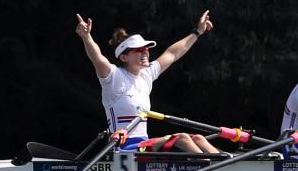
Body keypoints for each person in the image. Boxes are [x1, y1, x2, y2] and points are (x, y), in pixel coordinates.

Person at [75, 10, 220, 153]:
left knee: (199, 138)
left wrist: (197, 32)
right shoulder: (114, 77)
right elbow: (97, 57)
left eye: (146, 48)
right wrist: (86, 37)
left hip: (143, 145)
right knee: (182, 138)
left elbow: (173, 53)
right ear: (124, 57)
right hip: (122, 148)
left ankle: (226, 165)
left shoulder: (146, 75)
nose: (145, 52)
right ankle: (211, 170)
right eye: (139, 50)